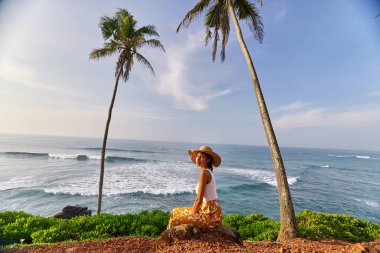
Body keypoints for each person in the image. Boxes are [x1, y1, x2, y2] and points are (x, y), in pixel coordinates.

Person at [167, 145, 223, 229]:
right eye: (197, 156)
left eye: (202, 157)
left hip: (211, 215)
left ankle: (169, 241)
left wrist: (191, 216)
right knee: (175, 212)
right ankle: (169, 239)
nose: (198, 158)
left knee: (175, 221)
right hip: (204, 209)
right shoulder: (206, 172)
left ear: (208, 160)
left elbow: (198, 199)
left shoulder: (204, 173)